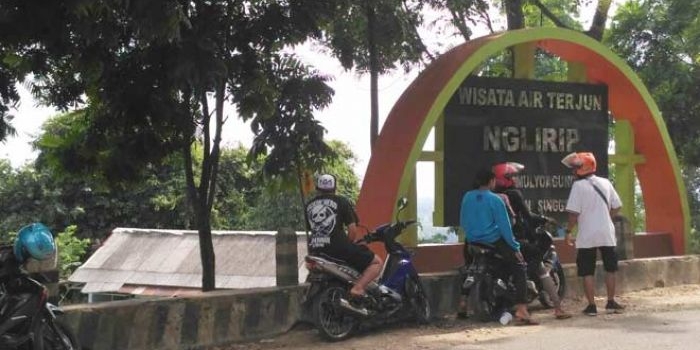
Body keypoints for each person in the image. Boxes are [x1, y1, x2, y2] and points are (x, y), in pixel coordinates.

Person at [493, 162, 572, 320]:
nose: (515, 179)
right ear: (508, 178)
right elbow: (527, 216)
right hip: (515, 239)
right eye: (513, 176)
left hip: (495, 240)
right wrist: (543, 219)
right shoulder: (514, 194)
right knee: (539, 266)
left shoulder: (492, 195)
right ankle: (557, 308)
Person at [459, 168, 538, 325]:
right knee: (519, 265)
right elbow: (505, 227)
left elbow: (462, 220)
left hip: (473, 241)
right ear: (491, 181)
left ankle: (462, 305)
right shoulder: (495, 199)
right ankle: (522, 309)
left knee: (469, 268)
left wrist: (472, 234)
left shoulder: (467, 197)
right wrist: (515, 247)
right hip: (493, 240)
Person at [561, 152, 625, 316]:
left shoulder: (578, 186)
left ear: (583, 168)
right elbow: (617, 206)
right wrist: (606, 218)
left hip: (587, 235)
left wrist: (568, 231)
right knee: (610, 268)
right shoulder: (605, 182)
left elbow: (573, 214)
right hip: (606, 233)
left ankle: (592, 306)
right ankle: (610, 302)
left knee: (587, 271)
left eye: (576, 167)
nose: (574, 171)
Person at [305, 174, 382, 297]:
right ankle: (358, 287)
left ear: (317, 189)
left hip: (316, 251)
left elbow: (311, 231)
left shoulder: (309, 205)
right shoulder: (341, 201)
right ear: (334, 188)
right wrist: (349, 245)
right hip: (339, 248)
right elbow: (352, 231)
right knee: (376, 262)